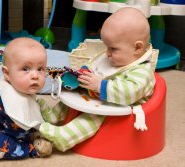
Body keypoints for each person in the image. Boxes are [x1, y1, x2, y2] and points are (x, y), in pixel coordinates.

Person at [38, 7, 157, 152]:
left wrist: (100, 85)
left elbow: (130, 93)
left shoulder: (142, 71)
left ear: (137, 48)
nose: (107, 53)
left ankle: (65, 136)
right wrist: (83, 74)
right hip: (102, 94)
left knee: (94, 115)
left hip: (123, 106)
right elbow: (95, 66)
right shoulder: (115, 56)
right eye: (106, 47)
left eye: (113, 49)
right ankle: (55, 115)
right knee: (75, 94)